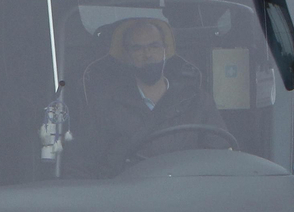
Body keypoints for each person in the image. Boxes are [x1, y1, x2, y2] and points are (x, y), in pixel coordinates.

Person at [74, 17, 228, 176]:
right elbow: (82, 165)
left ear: (165, 50)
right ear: (127, 55)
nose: (147, 54)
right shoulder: (105, 105)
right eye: (137, 49)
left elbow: (221, 158)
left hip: (186, 188)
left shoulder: (197, 101)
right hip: (128, 189)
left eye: (154, 46)